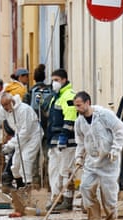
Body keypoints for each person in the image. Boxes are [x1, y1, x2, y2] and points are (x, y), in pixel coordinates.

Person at [72, 91, 123, 220]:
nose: (77, 109)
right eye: (75, 106)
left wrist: (116, 149)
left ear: (87, 103)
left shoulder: (104, 115)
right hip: (92, 162)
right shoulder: (79, 122)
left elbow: (120, 129)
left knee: (108, 192)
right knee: (85, 187)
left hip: (108, 160)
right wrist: (79, 157)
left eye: (79, 105)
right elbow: (80, 142)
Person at [0, 93, 42, 190]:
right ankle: (20, 186)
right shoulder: (4, 110)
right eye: (3, 106)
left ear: (12, 102)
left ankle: (28, 186)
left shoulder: (24, 110)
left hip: (32, 136)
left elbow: (25, 132)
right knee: (15, 164)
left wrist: (9, 145)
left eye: (6, 105)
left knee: (26, 159)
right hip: (19, 136)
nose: (5, 108)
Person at [46, 69, 78, 212]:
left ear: (64, 80)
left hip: (66, 141)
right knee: (54, 171)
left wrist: (64, 135)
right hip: (54, 139)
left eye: (57, 80)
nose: (54, 83)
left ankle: (67, 200)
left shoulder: (68, 96)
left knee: (66, 170)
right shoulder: (56, 97)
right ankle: (56, 198)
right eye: (53, 80)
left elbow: (70, 116)